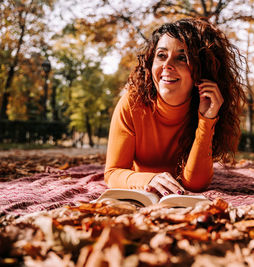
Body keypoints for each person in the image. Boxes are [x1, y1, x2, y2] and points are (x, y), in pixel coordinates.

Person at [104, 18, 246, 196]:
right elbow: (113, 173)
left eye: (182, 58)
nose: (167, 65)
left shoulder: (205, 108)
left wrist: (207, 119)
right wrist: (149, 180)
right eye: (161, 55)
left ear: (200, 70)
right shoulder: (132, 103)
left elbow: (196, 184)